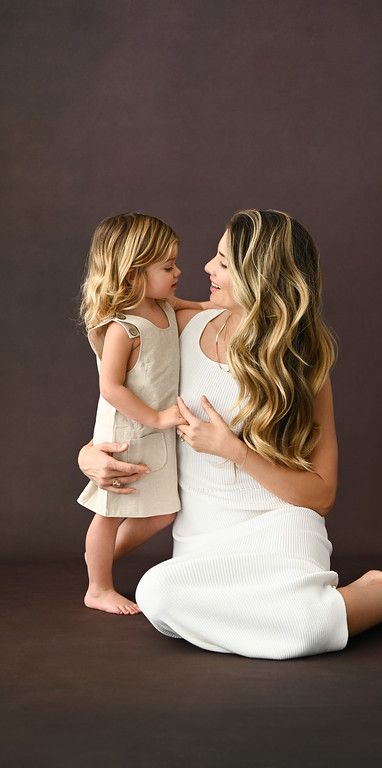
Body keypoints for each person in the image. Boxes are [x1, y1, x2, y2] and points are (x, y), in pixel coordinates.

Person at [78, 209, 382, 658]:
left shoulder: (301, 367)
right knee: (159, 593)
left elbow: (320, 496)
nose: (206, 268)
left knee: (302, 632)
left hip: (282, 526)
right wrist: (88, 455)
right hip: (203, 539)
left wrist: (234, 451)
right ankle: (348, 601)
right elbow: (119, 407)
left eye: (223, 262)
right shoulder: (177, 327)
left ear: (256, 276)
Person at [78, 212, 201, 616]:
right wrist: (158, 418)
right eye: (167, 267)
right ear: (132, 274)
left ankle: (100, 559)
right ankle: (98, 587)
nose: (178, 271)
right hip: (128, 429)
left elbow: (194, 305)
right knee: (110, 512)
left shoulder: (163, 305)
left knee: (163, 511)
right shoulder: (123, 328)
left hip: (155, 428)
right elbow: (110, 387)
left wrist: (217, 305)